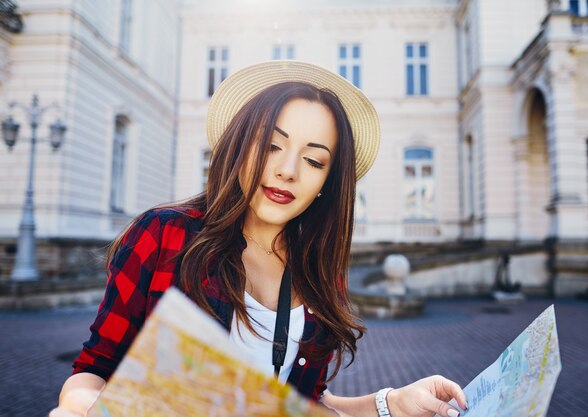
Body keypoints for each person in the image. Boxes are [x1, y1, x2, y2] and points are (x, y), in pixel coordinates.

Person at [50, 61, 468, 417]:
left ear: (327, 180)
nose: (289, 170)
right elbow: (95, 366)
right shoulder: (163, 236)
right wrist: (78, 406)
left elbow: (299, 402)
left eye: (314, 160)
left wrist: (391, 403)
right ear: (241, 146)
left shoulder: (320, 272)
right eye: (271, 146)